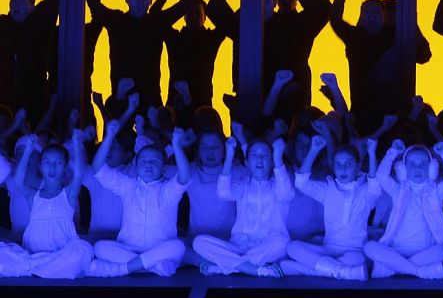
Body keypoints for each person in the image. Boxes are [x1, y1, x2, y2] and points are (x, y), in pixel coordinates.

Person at [86, 110, 190, 277]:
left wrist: (176, 146)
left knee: (178, 246)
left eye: (155, 161)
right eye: (143, 161)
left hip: (160, 249)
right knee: (99, 247)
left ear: (163, 167)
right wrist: (109, 136)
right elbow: (98, 168)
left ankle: (122, 269)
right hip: (129, 248)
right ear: (135, 165)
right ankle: (153, 267)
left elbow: (185, 176)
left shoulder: (168, 189)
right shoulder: (128, 186)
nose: (149, 165)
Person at [88, 0, 198, 111]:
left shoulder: (157, 21)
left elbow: (191, 0)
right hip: (121, 97)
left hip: (151, 99)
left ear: (150, 0)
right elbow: (92, 0)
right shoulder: (117, 21)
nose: (139, 1)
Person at [330, 0, 432, 134]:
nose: (371, 16)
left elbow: (424, 55)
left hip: (395, 109)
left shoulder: (395, 34)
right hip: (363, 109)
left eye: (376, 12)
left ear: (385, 16)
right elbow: (335, 20)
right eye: (367, 12)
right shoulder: (355, 37)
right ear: (361, 16)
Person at [191, 136, 295, 276]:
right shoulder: (243, 185)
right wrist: (228, 157)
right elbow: (223, 193)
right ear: (247, 162)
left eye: (265, 155)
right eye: (254, 155)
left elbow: (286, 195)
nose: (259, 159)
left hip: (266, 248)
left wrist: (278, 157)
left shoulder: (279, 185)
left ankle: (229, 267)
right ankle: (254, 269)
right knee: (199, 242)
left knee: (283, 242)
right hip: (238, 247)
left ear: (271, 162)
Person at [283, 136, 383, 280]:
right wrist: (314, 149)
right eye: (338, 164)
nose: (343, 168)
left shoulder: (366, 192)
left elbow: (375, 185)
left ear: (358, 166)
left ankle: (304, 268)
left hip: (354, 252)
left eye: (348, 163)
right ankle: (343, 272)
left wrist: (372, 153)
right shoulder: (328, 189)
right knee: (292, 247)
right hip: (327, 249)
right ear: (334, 167)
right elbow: (301, 183)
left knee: (356, 260)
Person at [2, 130, 93, 278]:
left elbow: (78, 174)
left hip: (60, 255)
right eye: (47, 162)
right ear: (40, 167)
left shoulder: (68, 194)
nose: (52, 167)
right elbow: (18, 180)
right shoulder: (33, 196)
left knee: (83, 249)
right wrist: (28, 151)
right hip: (35, 255)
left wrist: (77, 143)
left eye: (58, 162)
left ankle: (38, 270)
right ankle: (45, 270)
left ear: (65, 168)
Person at [365, 141, 443, 279]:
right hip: (396, 250)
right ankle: (419, 271)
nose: (417, 169)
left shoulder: (436, 191)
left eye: (422, 164)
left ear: (431, 168)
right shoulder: (397, 190)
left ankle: (393, 269)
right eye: (412, 164)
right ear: (403, 169)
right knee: (369, 247)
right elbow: (381, 176)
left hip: (426, 251)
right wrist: (392, 152)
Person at [0, 0, 59, 118]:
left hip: (33, 101)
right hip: (4, 102)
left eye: (20, 0)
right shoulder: (3, 24)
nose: (15, 3)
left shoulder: (38, 24)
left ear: (32, 7)